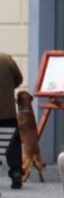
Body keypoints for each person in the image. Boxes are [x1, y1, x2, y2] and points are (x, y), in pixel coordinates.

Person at [0, 53, 23, 189]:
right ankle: (16, 172)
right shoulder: (6, 59)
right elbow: (18, 79)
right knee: (12, 143)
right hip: (7, 110)